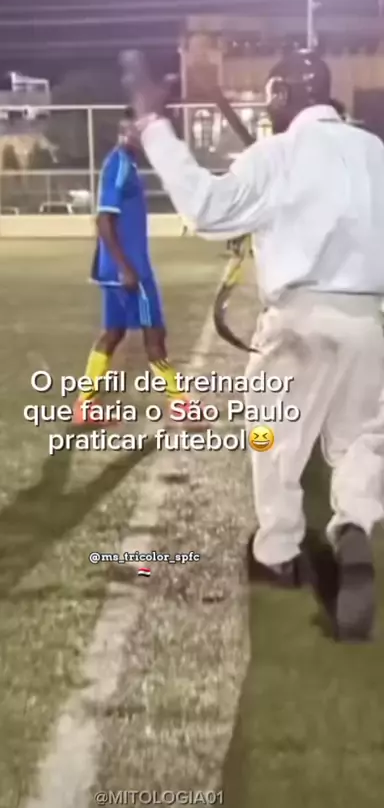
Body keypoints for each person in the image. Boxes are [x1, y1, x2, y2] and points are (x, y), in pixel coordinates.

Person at [122, 48, 384, 641]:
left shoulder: (276, 154)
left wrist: (155, 127)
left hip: (297, 325)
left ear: (283, 95)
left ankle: (278, 551)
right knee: (360, 441)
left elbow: (206, 207)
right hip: (368, 321)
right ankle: (354, 526)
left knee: (270, 438)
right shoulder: (375, 152)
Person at [73, 107, 191, 424]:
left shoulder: (126, 164)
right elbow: (104, 220)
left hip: (117, 269)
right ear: (125, 132)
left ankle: (85, 406)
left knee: (113, 333)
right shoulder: (121, 164)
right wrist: (125, 267)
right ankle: (181, 405)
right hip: (131, 271)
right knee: (155, 335)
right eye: (137, 131)